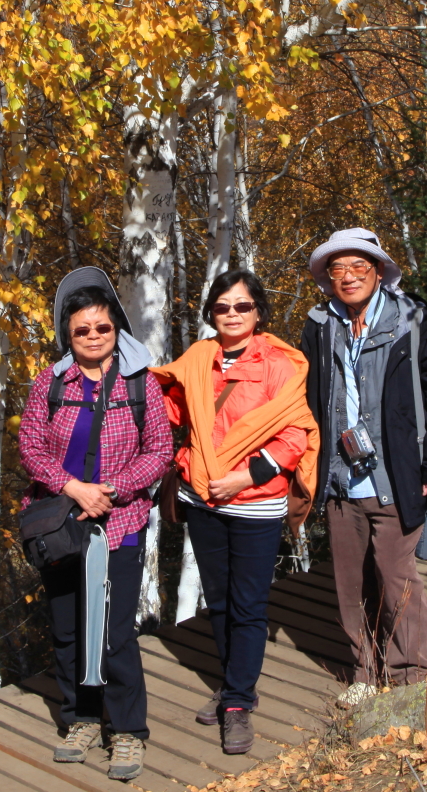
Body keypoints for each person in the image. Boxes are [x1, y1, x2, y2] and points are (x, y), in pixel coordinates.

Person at [298, 228, 427, 702]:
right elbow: (305, 399)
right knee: (350, 583)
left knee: (396, 576)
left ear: (379, 271)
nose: (349, 276)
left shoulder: (416, 321)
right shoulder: (320, 325)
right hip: (340, 479)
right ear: (328, 277)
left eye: (359, 266)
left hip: (397, 473)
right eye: (338, 268)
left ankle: (410, 677)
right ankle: (366, 673)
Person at [152, 269, 319, 755]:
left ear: (258, 311)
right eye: (222, 307)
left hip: (255, 502)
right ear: (211, 313)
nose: (232, 314)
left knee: (248, 605)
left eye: (242, 305)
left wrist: (244, 478)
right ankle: (233, 685)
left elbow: (294, 435)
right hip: (202, 498)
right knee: (220, 601)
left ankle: (238, 702)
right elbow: (174, 411)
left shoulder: (279, 364)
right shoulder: (197, 358)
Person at [18, 267, 173, 782]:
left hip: (120, 522)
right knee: (67, 629)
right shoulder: (50, 383)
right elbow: (30, 448)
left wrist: (113, 490)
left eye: (101, 327)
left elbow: (160, 451)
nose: (92, 336)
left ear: (116, 328)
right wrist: (73, 487)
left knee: (114, 633)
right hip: (61, 523)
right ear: (68, 334)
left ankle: (127, 730)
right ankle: (81, 719)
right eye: (81, 329)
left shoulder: (140, 382)